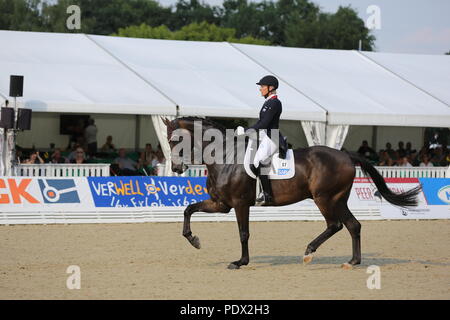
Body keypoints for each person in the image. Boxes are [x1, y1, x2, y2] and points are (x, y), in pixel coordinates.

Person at [237, 75, 283, 206]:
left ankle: (267, 195)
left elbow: (264, 123)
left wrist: (246, 131)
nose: (260, 89)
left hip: (272, 137)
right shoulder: (269, 101)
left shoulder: (274, 102)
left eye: (262, 86)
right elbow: (260, 122)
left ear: (271, 88)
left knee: (258, 161)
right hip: (265, 136)